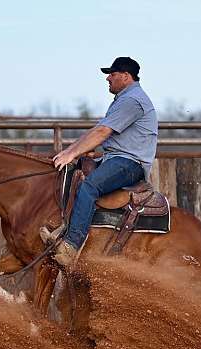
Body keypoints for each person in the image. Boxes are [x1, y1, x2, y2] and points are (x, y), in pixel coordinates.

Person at [47, 56, 158, 267]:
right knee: (73, 175)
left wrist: (70, 154)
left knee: (89, 187)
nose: (108, 78)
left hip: (130, 163)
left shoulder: (132, 101)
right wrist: (73, 152)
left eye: (112, 74)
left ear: (126, 77)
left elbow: (102, 132)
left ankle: (71, 244)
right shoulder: (125, 99)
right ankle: (65, 228)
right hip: (117, 158)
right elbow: (97, 132)